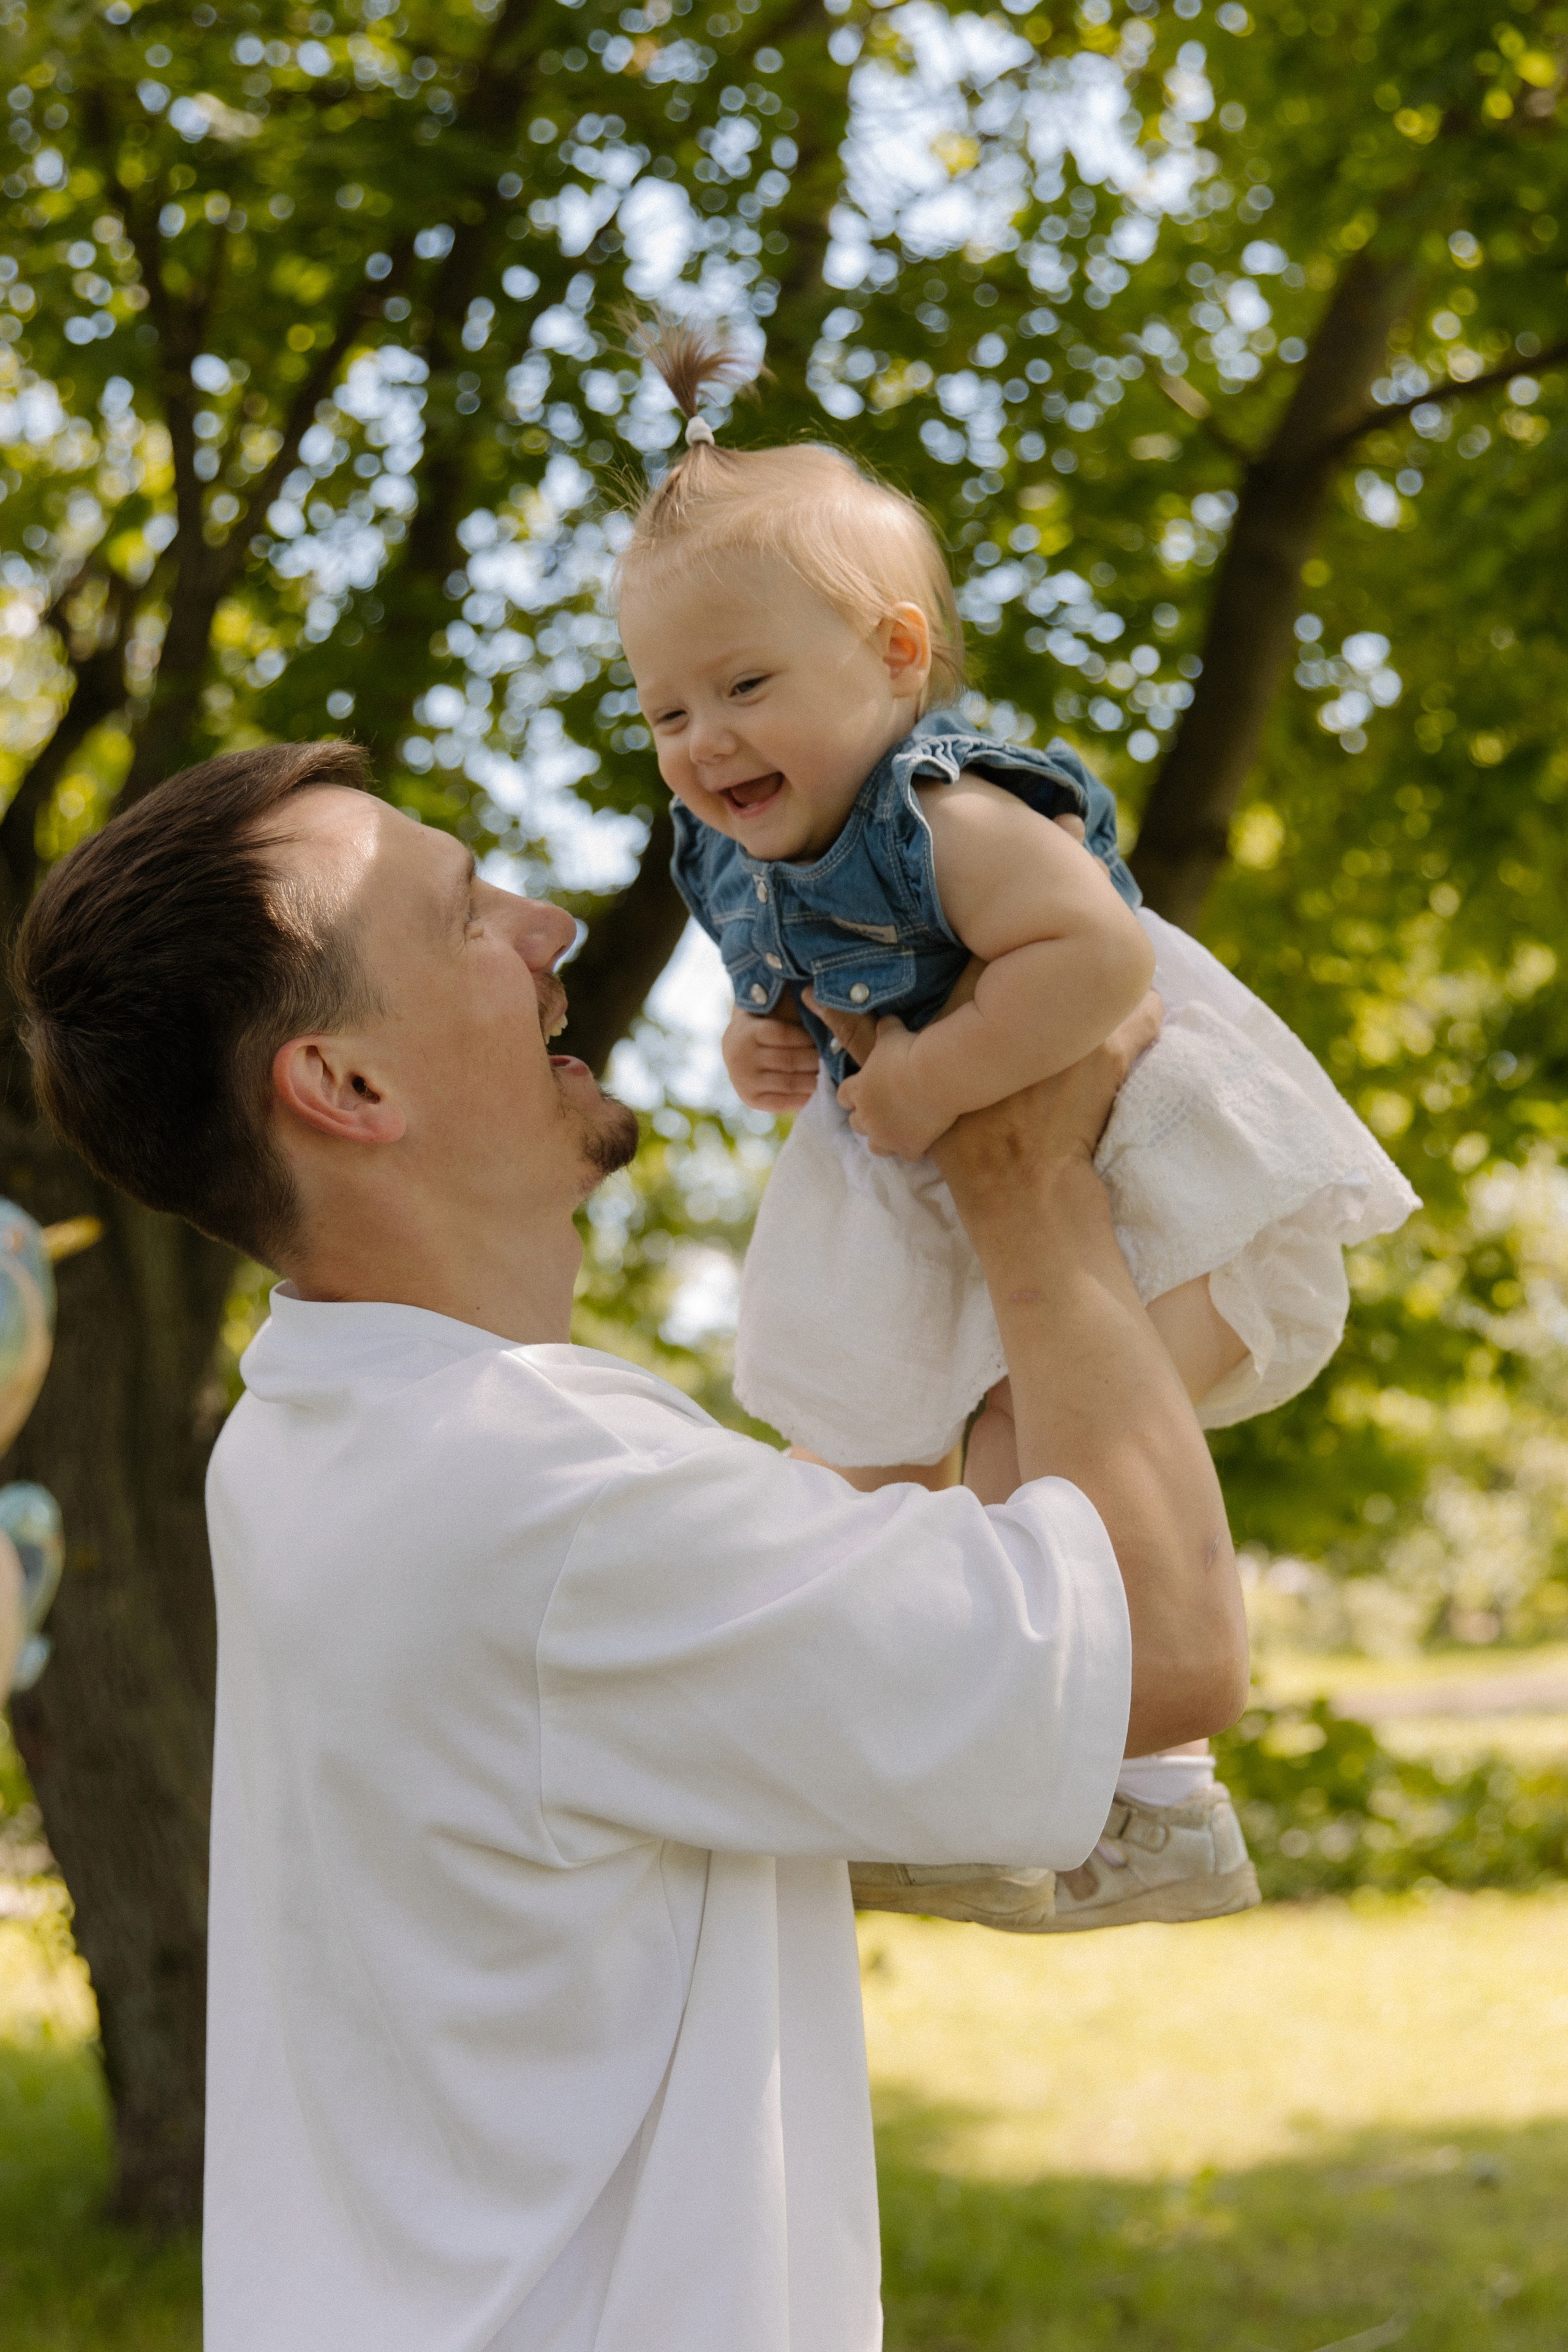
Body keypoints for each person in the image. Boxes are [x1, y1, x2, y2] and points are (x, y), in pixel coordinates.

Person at [13, 739, 1246, 2352]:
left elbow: (811, 1599)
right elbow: (1163, 1652)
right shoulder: (542, 1498)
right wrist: (1026, 1177)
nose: (550, 928)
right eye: (465, 918)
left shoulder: (312, 1430)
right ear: (348, 1088)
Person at [614, 321, 1418, 1932]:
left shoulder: (950, 817)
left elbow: (1100, 959)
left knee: (1025, 1466)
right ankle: (969, 1785)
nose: (703, 742)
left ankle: (1164, 1806)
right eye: (664, 711)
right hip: (937, 1188)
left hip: (1148, 1169)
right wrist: (762, 1046)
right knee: (869, 1482)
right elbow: (778, 984)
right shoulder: (727, 853)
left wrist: (931, 1074)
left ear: (897, 658)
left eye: (747, 685)